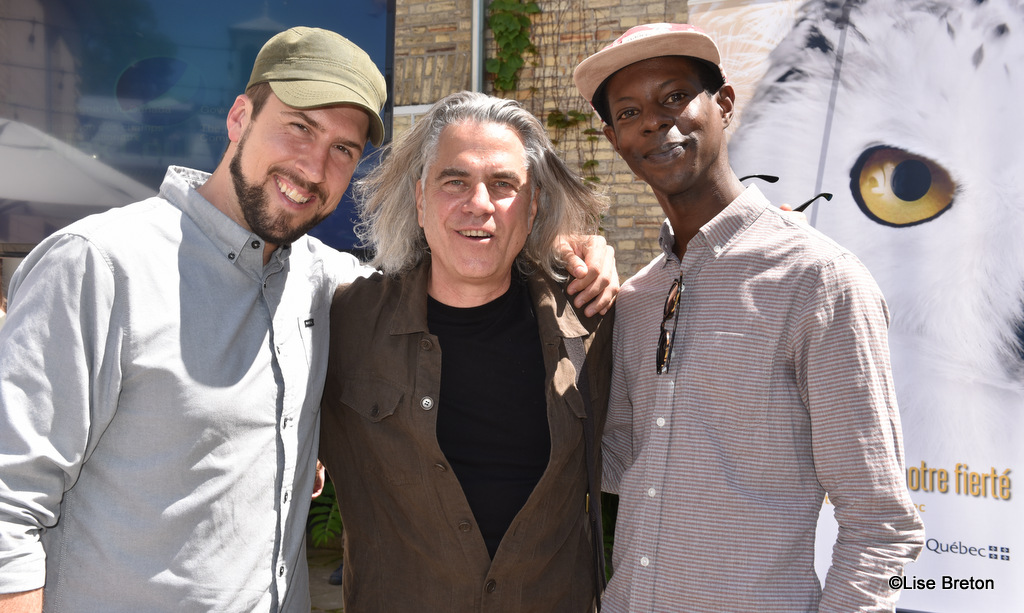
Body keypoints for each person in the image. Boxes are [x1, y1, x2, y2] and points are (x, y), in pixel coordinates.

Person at [0, 28, 615, 613]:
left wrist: (571, 245)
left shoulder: (323, 282)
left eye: (342, 150)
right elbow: (8, 506)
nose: (313, 167)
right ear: (239, 118)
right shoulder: (101, 264)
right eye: (298, 127)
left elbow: (472, 251)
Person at [572, 23, 925, 612]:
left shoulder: (817, 280)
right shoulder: (636, 299)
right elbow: (622, 465)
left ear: (725, 104)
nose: (655, 121)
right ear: (614, 138)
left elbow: (879, 522)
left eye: (674, 97)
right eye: (630, 111)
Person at [317, 91, 612, 612]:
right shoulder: (340, 320)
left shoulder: (591, 325)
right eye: (455, 181)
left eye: (503, 184)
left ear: (533, 205)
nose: (479, 204)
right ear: (420, 200)